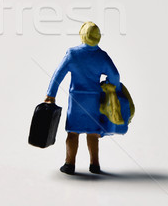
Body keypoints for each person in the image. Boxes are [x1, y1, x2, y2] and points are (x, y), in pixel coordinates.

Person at [44, 21, 120, 175]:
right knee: (93, 133)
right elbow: (115, 76)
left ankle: (69, 164)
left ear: (82, 36)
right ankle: (95, 165)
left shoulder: (73, 54)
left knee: (73, 133)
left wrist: (50, 95)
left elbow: (58, 75)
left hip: (76, 100)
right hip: (94, 100)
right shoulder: (102, 56)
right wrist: (108, 85)